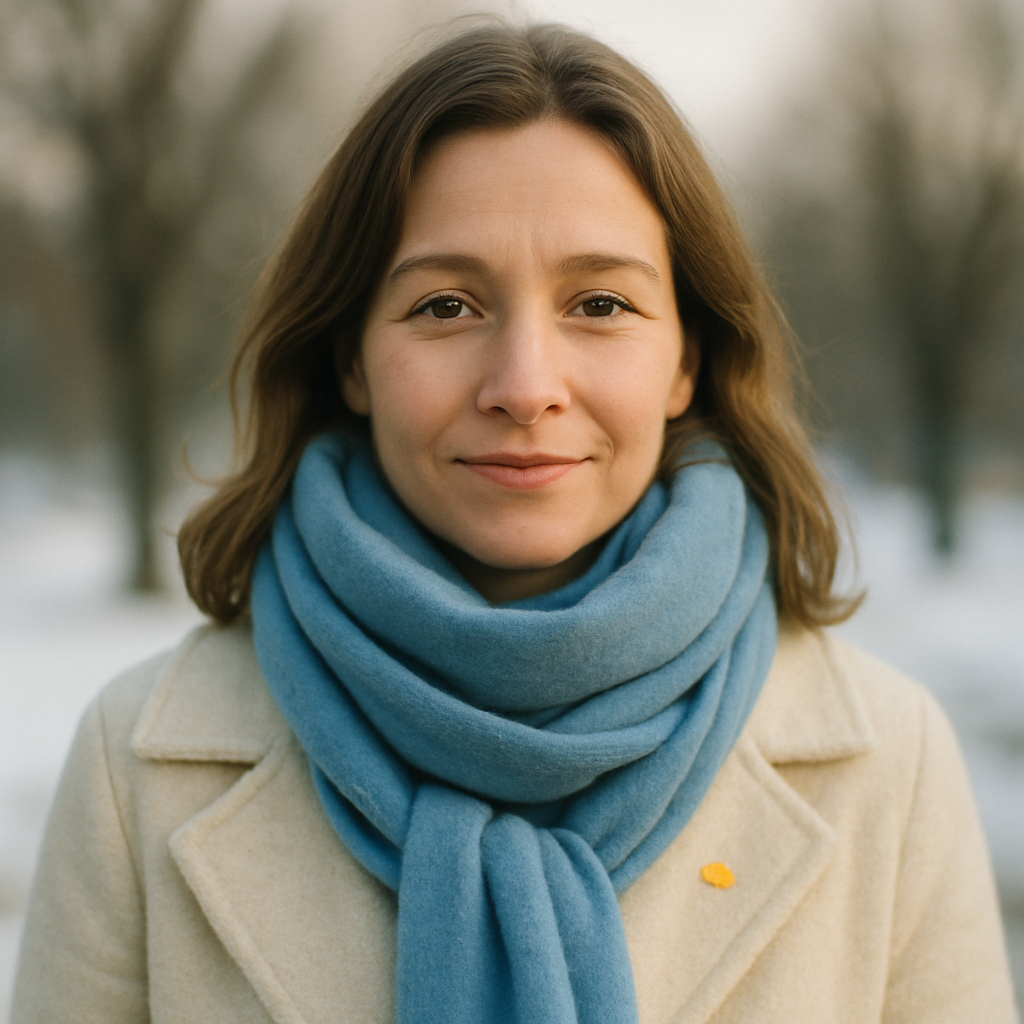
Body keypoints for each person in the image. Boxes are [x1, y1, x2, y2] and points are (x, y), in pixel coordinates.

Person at [10, 22, 1018, 1024]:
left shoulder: (889, 758)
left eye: (601, 304)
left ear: (686, 360)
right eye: (445, 306)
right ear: (350, 359)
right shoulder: (135, 766)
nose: (525, 386)